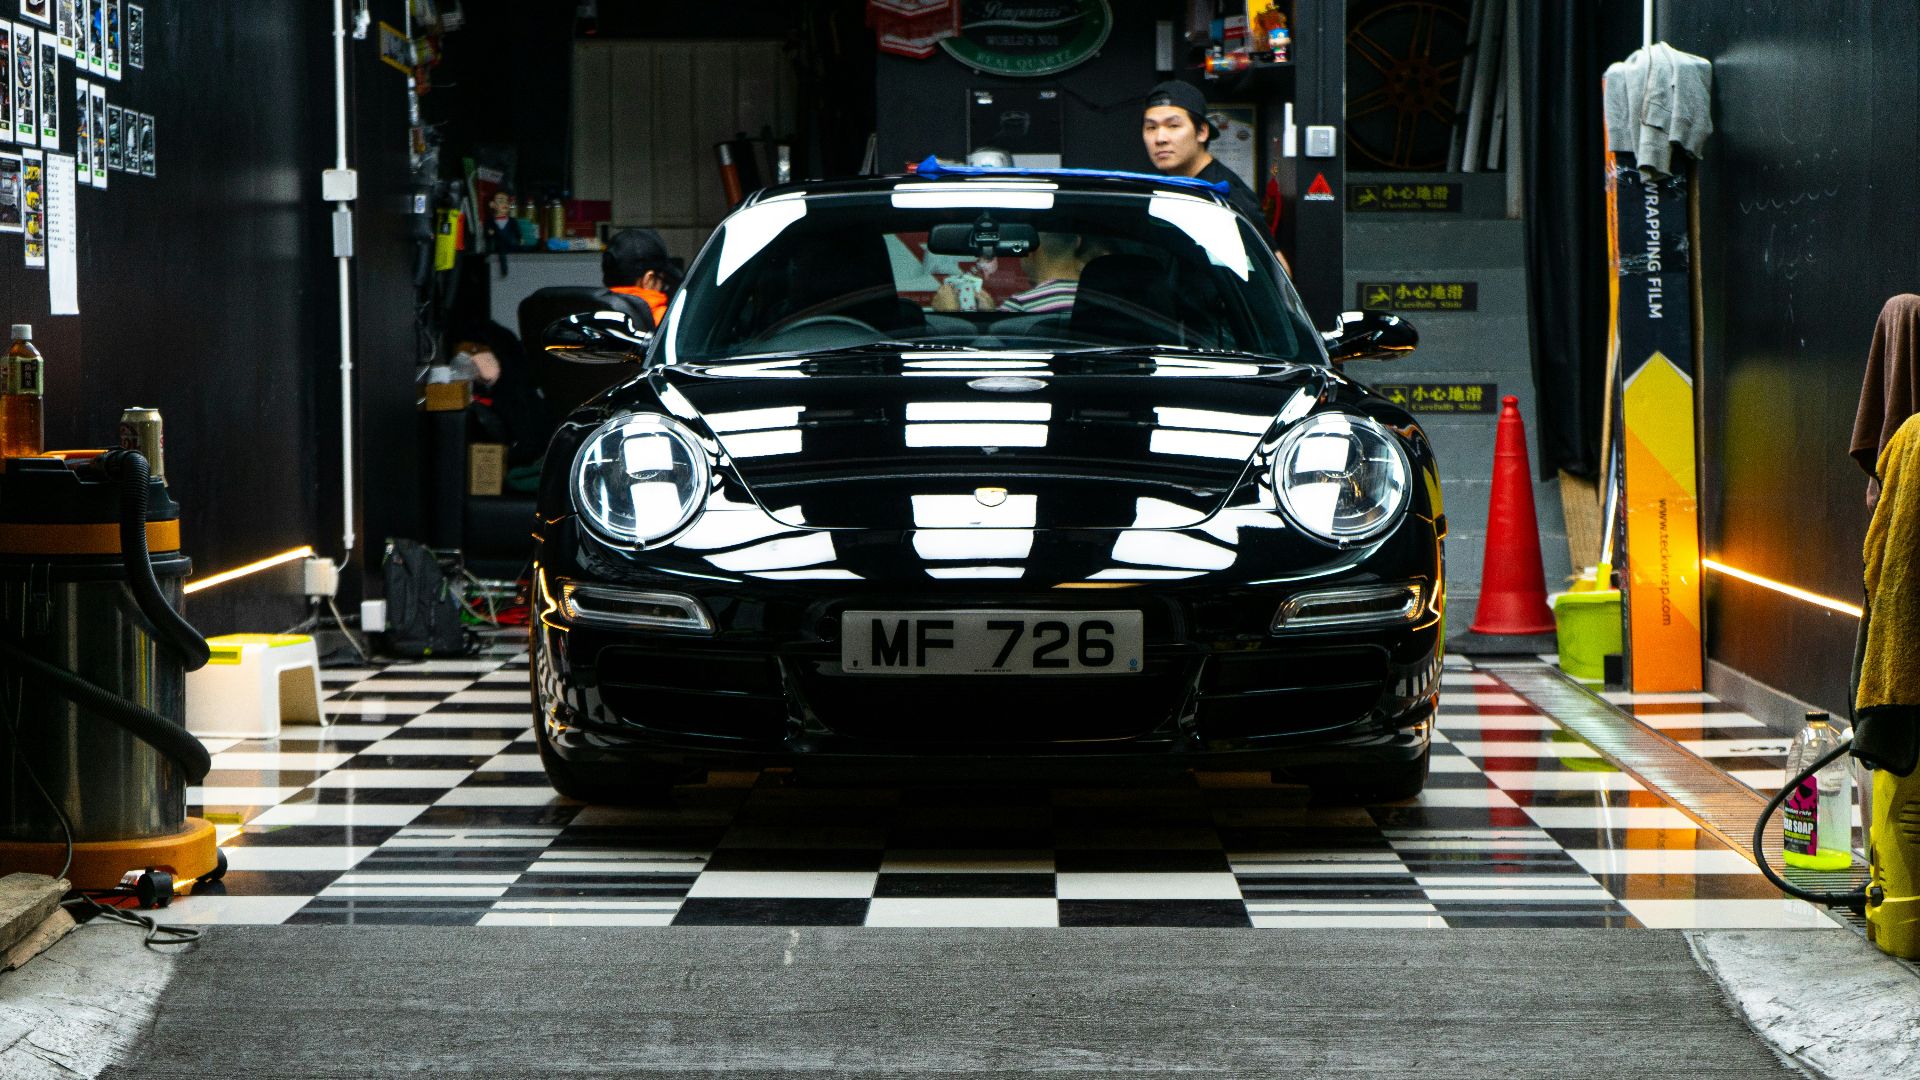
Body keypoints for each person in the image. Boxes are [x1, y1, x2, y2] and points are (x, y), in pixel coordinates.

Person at [1141, 80, 1282, 256]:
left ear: (1202, 132)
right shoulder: (1164, 188)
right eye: (1151, 127)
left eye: (1173, 126)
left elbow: (1276, 266)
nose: (1160, 138)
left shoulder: (1226, 196)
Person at [601, 228, 684, 329]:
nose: (663, 288)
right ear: (648, 280)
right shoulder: (667, 320)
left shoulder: (594, 318)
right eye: (662, 282)